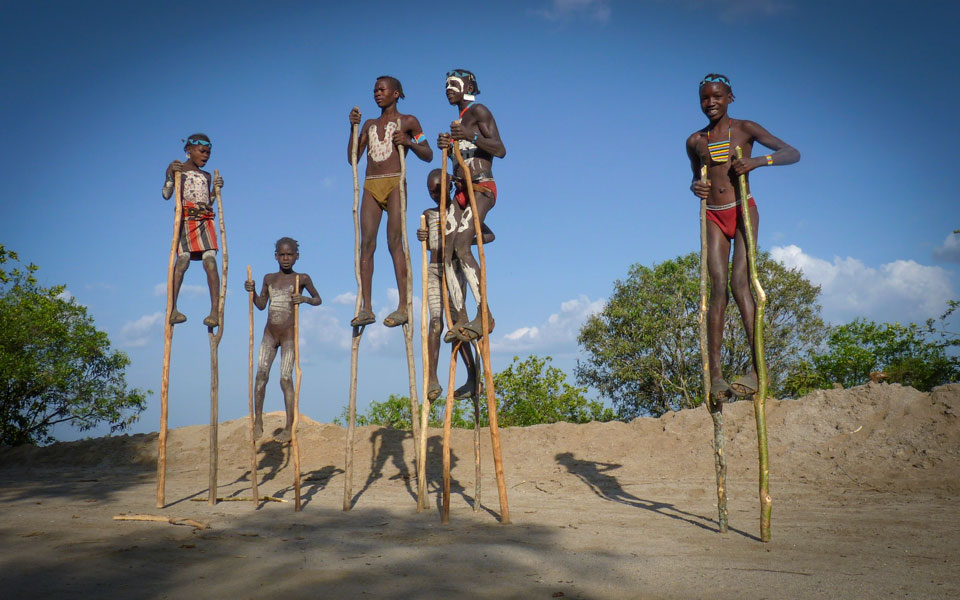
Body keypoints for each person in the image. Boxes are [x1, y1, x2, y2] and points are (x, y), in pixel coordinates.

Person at [685, 74, 800, 398]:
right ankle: (717, 378)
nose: (711, 103)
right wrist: (697, 187)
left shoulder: (746, 129)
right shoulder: (696, 141)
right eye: (705, 98)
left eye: (717, 96)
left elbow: (792, 152)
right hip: (714, 214)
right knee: (717, 286)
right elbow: (697, 179)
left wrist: (757, 161)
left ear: (730, 98)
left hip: (742, 210)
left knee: (740, 283)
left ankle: (756, 371)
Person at [347, 75, 434, 328]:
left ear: (395, 93)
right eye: (374, 90)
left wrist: (407, 142)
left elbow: (427, 153)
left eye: (382, 89)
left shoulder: (408, 122)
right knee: (366, 244)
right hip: (371, 184)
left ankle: (403, 306)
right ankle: (366, 307)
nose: (377, 93)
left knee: (395, 242)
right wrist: (352, 128)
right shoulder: (369, 125)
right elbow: (353, 158)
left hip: (396, 181)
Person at [436, 68, 505, 342]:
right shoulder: (459, 122)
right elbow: (460, 155)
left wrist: (469, 135)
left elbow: (500, 149)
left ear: (468, 86)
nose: (448, 88)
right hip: (461, 191)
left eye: (453, 84)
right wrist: (448, 145)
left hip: (481, 187)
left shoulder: (479, 112)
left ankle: (484, 315)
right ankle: (462, 318)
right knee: (447, 251)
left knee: (462, 245)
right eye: (445, 85)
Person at [416, 169, 495, 401]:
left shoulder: (462, 211)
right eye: (430, 191)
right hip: (434, 270)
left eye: (437, 191)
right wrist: (424, 237)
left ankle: (473, 378)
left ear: (449, 186)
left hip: (455, 270)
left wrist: (462, 239)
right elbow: (431, 245)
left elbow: (488, 235)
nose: (433, 195)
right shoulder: (428, 214)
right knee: (435, 323)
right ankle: (432, 378)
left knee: (460, 325)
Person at [244, 237, 322, 443]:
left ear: (297, 256)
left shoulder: (302, 278)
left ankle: (289, 427)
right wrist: (252, 293)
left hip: (288, 335)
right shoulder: (269, 278)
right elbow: (261, 305)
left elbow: (318, 299)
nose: (286, 258)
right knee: (261, 376)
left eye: (290, 255)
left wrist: (303, 299)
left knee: (285, 379)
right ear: (276, 256)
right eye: (282, 254)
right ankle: (258, 422)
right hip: (269, 334)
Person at [162, 133, 224, 327]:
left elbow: (208, 200)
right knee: (182, 261)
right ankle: (172, 309)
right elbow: (166, 194)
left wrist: (216, 190)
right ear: (189, 150)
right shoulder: (179, 170)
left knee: (211, 262)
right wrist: (169, 174)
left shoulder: (206, 176)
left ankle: (215, 312)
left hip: (205, 221)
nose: (205, 155)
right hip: (186, 221)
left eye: (208, 152)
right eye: (202, 151)